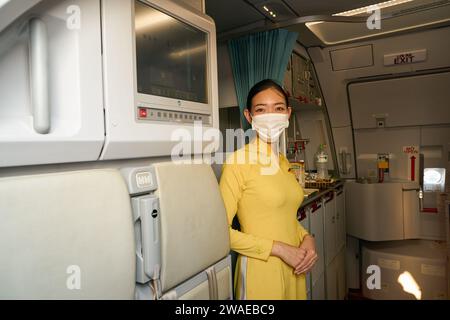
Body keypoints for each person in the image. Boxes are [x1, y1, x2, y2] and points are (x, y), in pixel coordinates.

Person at [219, 79, 318, 300]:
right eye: (261, 109)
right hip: (260, 270)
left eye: (279, 108)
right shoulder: (239, 162)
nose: (271, 116)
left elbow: (284, 217)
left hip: (295, 267)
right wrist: (281, 249)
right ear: (249, 116)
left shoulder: (282, 162)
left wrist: (307, 237)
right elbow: (220, 233)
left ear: (288, 113)